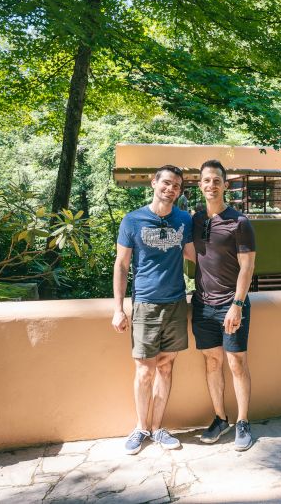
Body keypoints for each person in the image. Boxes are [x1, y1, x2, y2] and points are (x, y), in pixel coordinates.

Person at [112, 164, 194, 455]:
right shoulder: (132, 220)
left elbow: (194, 254)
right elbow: (122, 265)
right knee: (144, 370)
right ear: (154, 183)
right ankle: (141, 428)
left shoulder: (184, 219)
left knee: (166, 367)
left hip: (176, 303)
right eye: (166, 183)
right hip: (145, 304)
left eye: (176, 186)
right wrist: (118, 308)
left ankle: (158, 428)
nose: (171, 189)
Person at [185, 159, 257, 451]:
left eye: (216, 180)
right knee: (212, 362)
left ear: (225, 185)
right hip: (202, 304)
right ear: (200, 184)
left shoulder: (239, 222)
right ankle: (220, 418)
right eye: (206, 180)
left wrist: (237, 304)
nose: (211, 185)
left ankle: (243, 421)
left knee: (236, 362)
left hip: (231, 304)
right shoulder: (195, 220)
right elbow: (191, 252)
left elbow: (247, 267)